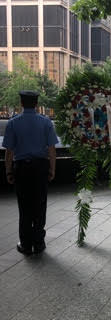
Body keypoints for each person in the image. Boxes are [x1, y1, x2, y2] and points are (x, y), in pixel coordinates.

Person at [2, 90, 58, 255]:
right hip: (40, 168)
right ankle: (39, 243)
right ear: (36, 104)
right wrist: (52, 169)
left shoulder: (13, 123)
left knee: (24, 207)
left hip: (22, 169)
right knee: (40, 205)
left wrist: (8, 171)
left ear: (21, 103)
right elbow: (52, 149)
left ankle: (26, 244)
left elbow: (9, 151)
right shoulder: (46, 122)